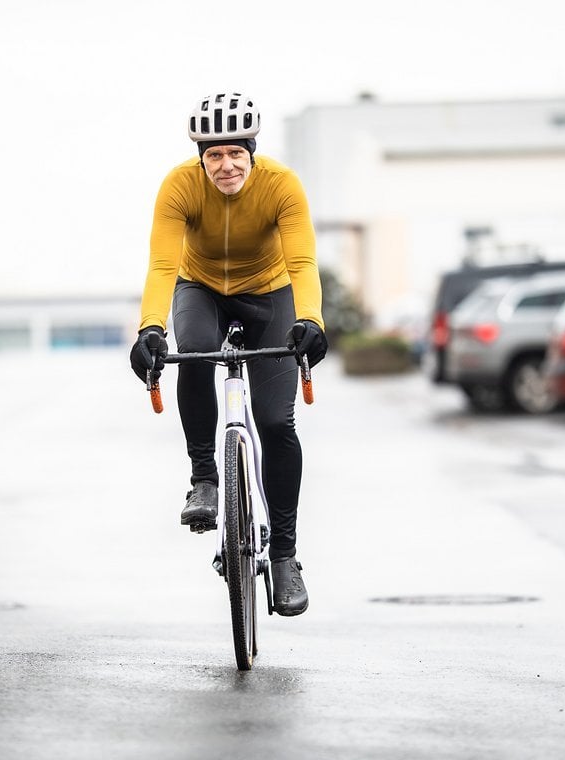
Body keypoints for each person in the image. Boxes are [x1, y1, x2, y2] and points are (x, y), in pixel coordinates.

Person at [130, 91, 327, 617]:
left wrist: (310, 319)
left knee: (274, 422)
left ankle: (284, 557)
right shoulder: (178, 186)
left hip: (271, 293)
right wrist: (150, 328)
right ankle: (204, 480)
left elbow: (303, 261)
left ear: (252, 150)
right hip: (200, 290)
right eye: (213, 154)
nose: (225, 165)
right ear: (200, 156)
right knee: (191, 353)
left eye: (235, 152)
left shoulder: (281, 186)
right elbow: (162, 266)